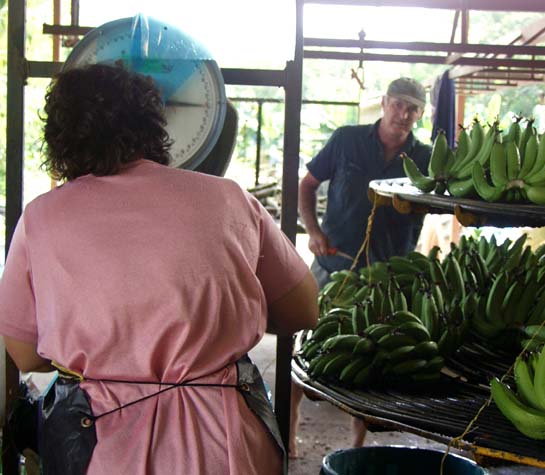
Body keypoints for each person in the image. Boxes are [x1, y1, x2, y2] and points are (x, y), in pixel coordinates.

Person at [0, 63, 319, 475]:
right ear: (157, 125)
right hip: (227, 445)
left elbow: (25, 353)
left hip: (101, 451)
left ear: (60, 140)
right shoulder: (227, 199)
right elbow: (303, 310)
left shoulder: (41, 217)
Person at [290, 77, 431, 457]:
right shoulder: (346, 139)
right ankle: (288, 435)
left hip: (386, 273)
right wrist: (313, 229)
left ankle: (357, 448)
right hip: (333, 259)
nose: (404, 113)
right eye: (399, 103)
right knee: (302, 342)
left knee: (372, 355)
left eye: (413, 107)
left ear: (421, 113)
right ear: (384, 103)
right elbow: (307, 185)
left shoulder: (426, 159)